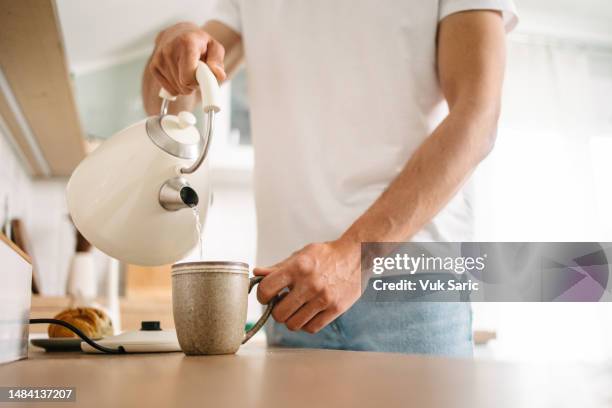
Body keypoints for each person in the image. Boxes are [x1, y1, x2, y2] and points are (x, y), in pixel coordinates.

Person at [142, 0, 518, 356]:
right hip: (290, 294)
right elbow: (174, 101)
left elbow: (477, 116)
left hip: (408, 285)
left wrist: (356, 256)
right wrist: (172, 49)